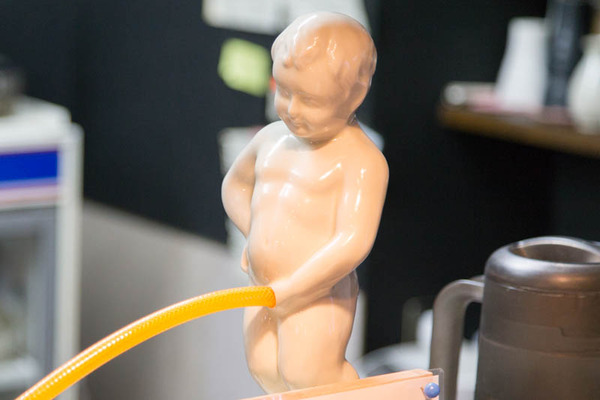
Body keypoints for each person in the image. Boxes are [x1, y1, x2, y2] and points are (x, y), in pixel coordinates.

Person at [221, 11, 388, 393]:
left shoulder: (361, 160)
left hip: (318, 294)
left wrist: (297, 287)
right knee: (264, 366)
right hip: (263, 282)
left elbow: (353, 241)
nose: (292, 109)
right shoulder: (270, 139)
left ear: (355, 95)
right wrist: (253, 233)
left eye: (310, 100)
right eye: (284, 91)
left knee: (308, 376)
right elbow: (234, 186)